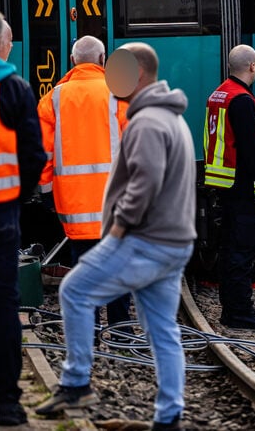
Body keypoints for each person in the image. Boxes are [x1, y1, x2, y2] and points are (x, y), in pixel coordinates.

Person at [34, 43, 196, 431]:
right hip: (174, 240)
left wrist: (120, 228)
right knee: (163, 330)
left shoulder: (144, 121)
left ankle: (77, 384)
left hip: (141, 237)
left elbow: (144, 183)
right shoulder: (170, 116)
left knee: (74, 290)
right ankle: (169, 416)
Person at [37, 35, 132, 330]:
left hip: (75, 204)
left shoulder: (53, 98)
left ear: (72, 61)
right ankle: (121, 330)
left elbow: (43, 152)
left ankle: (87, 331)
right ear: (103, 60)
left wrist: (46, 190)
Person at [0, 9, 46, 427]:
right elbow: (34, 156)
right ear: (0, 44)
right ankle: (8, 404)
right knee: (2, 305)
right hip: (0, 215)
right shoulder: (13, 88)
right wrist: (17, 195)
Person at [204, 45, 255, 330]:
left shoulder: (219, 94)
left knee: (230, 249)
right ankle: (240, 311)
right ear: (252, 66)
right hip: (243, 186)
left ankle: (231, 309)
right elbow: (252, 149)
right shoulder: (242, 100)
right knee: (243, 251)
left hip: (225, 184)